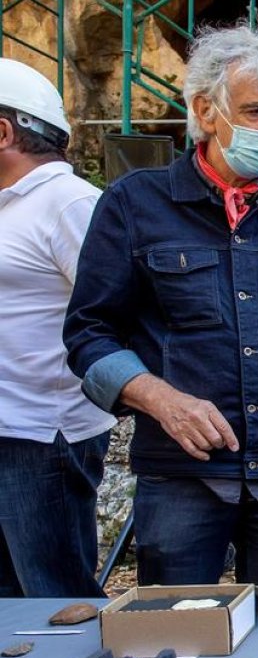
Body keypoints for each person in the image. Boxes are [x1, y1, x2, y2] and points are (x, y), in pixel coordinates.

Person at [63, 25, 258, 597]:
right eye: (256, 112)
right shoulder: (134, 204)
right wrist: (161, 400)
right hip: (182, 474)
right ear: (206, 110)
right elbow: (88, 335)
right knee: (175, 629)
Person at [0, 58, 115, 598]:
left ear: (3, 131)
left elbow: (111, 315)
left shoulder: (69, 203)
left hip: (44, 438)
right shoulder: (10, 207)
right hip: (8, 429)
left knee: (55, 595)